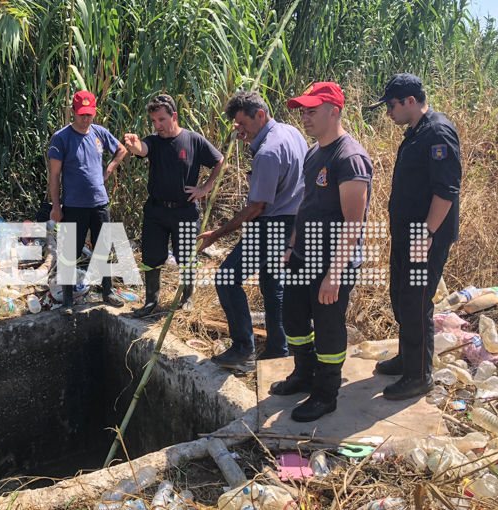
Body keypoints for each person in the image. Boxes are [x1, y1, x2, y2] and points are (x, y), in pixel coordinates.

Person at [270, 82, 373, 422]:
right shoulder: (315, 152)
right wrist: (291, 245)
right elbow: (306, 203)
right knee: (294, 318)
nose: (305, 117)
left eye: (312, 111)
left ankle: (326, 394)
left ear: (335, 111)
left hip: (332, 261)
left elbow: (353, 223)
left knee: (328, 326)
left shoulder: (350, 158)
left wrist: (334, 275)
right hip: (304, 254)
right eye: (303, 111)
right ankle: (304, 373)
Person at [197, 91, 307, 372]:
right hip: (292, 221)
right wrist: (248, 140)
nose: (240, 130)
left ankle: (244, 348)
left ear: (260, 114)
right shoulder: (290, 132)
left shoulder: (268, 151)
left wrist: (216, 234)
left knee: (226, 278)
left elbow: (256, 207)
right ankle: (278, 351)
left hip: (271, 224)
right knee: (273, 286)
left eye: (243, 124)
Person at [368, 73, 462, 399]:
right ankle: (408, 358)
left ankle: (419, 376)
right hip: (408, 234)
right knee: (400, 295)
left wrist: (427, 232)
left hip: (426, 236)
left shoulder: (437, 131)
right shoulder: (417, 131)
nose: (388, 112)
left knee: (416, 301)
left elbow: (446, 192)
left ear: (410, 101)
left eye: (391, 105)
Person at [124, 94, 225, 317]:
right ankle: (151, 302)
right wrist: (134, 145)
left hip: (185, 211)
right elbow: (143, 149)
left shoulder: (193, 140)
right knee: (151, 257)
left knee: (187, 256)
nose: (157, 125)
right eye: (153, 121)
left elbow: (219, 160)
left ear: (174, 116)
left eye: (161, 120)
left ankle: (187, 298)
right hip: (156, 211)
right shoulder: (153, 141)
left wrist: (205, 188)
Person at [48, 90, 128, 314]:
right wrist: (56, 206)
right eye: (81, 114)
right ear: (73, 112)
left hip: (99, 203)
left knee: (104, 248)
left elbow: (121, 149)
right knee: (69, 252)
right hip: (73, 205)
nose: (86, 119)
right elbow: (54, 175)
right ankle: (67, 299)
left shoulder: (100, 133)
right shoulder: (61, 138)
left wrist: (109, 169)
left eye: (89, 114)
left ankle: (107, 291)